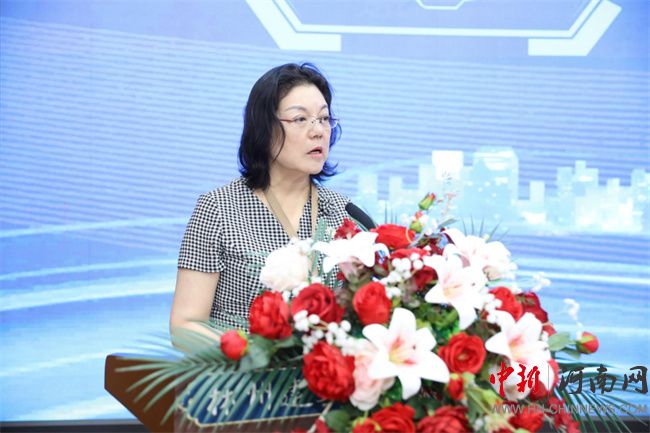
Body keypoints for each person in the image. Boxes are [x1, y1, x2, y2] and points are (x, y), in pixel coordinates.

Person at [169, 63, 352, 342]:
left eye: (324, 118)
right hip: (241, 367)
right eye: (300, 119)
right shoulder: (218, 208)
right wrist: (255, 356)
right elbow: (184, 327)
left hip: (322, 368)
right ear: (265, 129)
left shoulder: (344, 212)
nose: (318, 131)